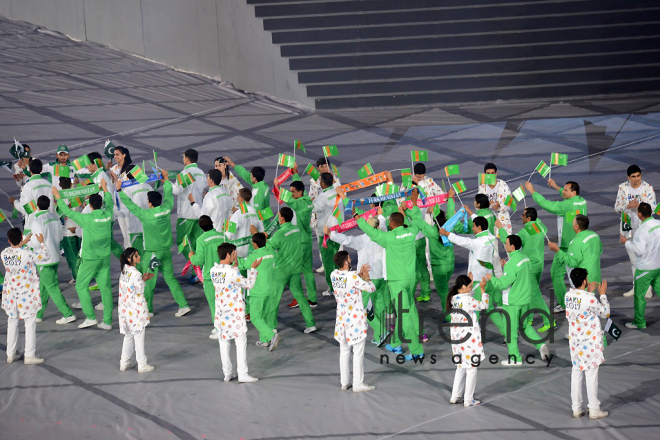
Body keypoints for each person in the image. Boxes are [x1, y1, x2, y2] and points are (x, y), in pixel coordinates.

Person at [357, 189, 424, 361]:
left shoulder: (389, 238)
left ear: (392, 224)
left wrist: (358, 219)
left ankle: (416, 350)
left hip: (397, 281)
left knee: (403, 314)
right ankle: (395, 343)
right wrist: (412, 205)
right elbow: (417, 220)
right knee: (405, 310)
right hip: (410, 279)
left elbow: (372, 232)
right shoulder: (412, 232)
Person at [117, 170, 191, 318]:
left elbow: (131, 206)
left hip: (153, 254)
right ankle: (183, 305)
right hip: (166, 251)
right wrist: (166, 180)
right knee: (170, 279)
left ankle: (148, 310)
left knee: (149, 282)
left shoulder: (146, 215)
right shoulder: (166, 209)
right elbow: (169, 195)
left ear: (149, 203)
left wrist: (119, 190)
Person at [54, 180, 114, 330]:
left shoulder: (87, 218)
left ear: (91, 206)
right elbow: (110, 202)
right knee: (105, 288)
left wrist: (58, 197)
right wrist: (106, 189)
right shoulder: (108, 214)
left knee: (81, 286)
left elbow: (68, 212)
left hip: (89, 258)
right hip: (105, 257)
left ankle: (91, 317)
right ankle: (107, 321)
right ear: (101, 204)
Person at [482, 235, 550, 366]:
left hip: (512, 302)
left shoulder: (512, 264)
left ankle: (514, 358)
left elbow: (502, 284)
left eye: (506, 244)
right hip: (525, 299)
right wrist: (506, 265)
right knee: (525, 326)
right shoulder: (524, 258)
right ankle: (540, 345)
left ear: (512, 247)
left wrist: (492, 278)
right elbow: (518, 274)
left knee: (510, 331)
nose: (505, 246)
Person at [438, 216, 507, 338]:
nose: (472, 227)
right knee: (491, 309)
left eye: (474, 225)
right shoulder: (491, 238)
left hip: (477, 283)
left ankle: (473, 338)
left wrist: (446, 233)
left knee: (475, 312)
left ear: (479, 227)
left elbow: (461, 241)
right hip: (489, 279)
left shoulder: (477, 243)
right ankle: (508, 335)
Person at [326, 216, 391, 346]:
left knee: (363, 308)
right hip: (382, 276)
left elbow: (346, 239)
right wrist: (381, 216)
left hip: (367, 277)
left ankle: (381, 331)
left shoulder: (363, 239)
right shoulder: (384, 234)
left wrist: (330, 234)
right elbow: (382, 224)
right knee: (379, 306)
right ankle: (380, 335)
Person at [525, 179, 587, 312]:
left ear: (573, 192)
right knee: (557, 272)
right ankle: (567, 303)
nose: (563, 191)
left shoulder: (567, 206)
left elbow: (548, 205)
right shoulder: (582, 201)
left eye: (565, 190)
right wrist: (555, 186)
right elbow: (567, 196)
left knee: (573, 276)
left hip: (567, 246)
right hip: (577, 242)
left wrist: (532, 191)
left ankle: (577, 305)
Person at [496, 208, 554, 332]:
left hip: (530, 267)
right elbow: (538, 222)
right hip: (539, 265)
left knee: (535, 295)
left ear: (528, 218)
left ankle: (548, 320)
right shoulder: (540, 226)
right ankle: (528, 318)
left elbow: (509, 241)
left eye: (523, 215)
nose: (521, 217)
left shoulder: (524, 232)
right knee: (531, 293)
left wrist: (500, 228)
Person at [406, 188, 465, 310]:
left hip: (439, 268)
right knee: (447, 290)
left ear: (433, 220)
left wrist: (410, 207)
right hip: (450, 265)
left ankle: (449, 315)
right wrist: (450, 198)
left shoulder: (432, 231)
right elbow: (450, 213)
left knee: (443, 292)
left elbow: (418, 221)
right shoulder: (449, 227)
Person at [210, 243, 261, 383]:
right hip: (234, 313)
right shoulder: (232, 273)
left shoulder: (213, 270)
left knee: (224, 342)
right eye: (233, 254)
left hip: (221, 313)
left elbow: (230, 276)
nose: (235, 256)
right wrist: (253, 269)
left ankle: (227, 373)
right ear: (228, 255)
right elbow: (248, 284)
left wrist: (235, 264)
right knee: (240, 341)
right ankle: (243, 373)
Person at [565, 268, 610, 420]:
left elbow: (581, 302)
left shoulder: (568, 296)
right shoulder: (590, 299)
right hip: (590, 343)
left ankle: (576, 408)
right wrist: (602, 295)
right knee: (591, 374)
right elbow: (605, 313)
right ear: (585, 281)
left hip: (575, 342)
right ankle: (594, 409)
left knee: (576, 373)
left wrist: (589, 291)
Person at [331, 250, 376, 393]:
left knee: (344, 351)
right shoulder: (353, 278)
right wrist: (366, 277)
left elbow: (349, 276)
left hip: (341, 320)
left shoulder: (334, 275)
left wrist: (358, 274)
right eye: (349, 259)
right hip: (355, 321)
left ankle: (344, 382)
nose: (351, 260)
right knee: (358, 352)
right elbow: (371, 288)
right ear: (346, 262)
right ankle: (358, 384)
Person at [266, 207, 317, 333]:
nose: (277, 218)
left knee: (274, 299)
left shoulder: (279, 233)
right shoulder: (296, 229)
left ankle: (272, 328)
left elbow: (270, 245)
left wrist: (264, 237)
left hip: (281, 270)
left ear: (282, 218)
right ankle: (311, 324)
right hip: (295, 269)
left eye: (278, 216)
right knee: (300, 297)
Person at [2, 228, 48, 365]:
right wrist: (42, 243)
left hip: (11, 294)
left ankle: (10, 354)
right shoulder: (28, 253)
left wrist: (21, 243)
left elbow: (15, 251)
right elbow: (45, 256)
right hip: (26, 295)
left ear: (9, 240)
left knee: (12, 322)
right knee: (29, 323)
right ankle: (29, 355)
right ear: (21, 237)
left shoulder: (4, 253)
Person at [30, 196, 75, 324]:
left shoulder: (37, 221)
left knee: (52, 287)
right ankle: (39, 314)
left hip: (44, 259)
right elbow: (60, 237)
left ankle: (68, 313)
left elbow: (37, 243)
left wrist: (27, 242)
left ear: (37, 205)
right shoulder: (55, 218)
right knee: (44, 286)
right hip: (55, 256)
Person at [614, 165, 656, 298]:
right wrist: (627, 206)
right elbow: (616, 208)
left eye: (638, 176)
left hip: (645, 229)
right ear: (628, 177)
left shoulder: (648, 188)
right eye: (633, 176)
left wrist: (640, 206)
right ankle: (636, 287)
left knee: (646, 259)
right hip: (629, 229)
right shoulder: (623, 188)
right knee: (634, 261)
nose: (636, 179)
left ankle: (648, 289)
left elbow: (654, 208)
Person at [447, 274, 488, 407]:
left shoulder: (454, 299)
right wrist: (482, 289)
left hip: (457, 340)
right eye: (469, 286)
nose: (471, 289)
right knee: (471, 368)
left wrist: (470, 281)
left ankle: (455, 396)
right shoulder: (468, 301)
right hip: (469, 340)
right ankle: (468, 400)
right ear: (463, 287)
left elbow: (468, 296)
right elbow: (483, 305)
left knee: (460, 367)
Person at [621, 202, 660, 329]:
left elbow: (638, 250)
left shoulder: (641, 230)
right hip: (658, 266)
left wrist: (626, 242)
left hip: (645, 269)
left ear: (639, 214)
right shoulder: (658, 224)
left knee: (639, 297)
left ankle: (640, 322)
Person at [238, 233, 280, 351]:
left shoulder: (253, 257)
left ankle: (272, 336)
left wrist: (234, 258)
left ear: (254, 244)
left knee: (256, 317)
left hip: (258, 291)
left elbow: (242, 265)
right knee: (265, 316)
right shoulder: (272, 253)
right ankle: (264, 340)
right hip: (271, 289)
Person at [118, 247, 155, 373]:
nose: (139, 257)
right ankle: (142, 364)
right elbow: (139, 290)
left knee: (128, 336)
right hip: (136, 310)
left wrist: (142, 280)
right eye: (136, 256)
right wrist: (143, 280)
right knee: (139, 337)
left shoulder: (124, 271)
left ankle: (124, 362)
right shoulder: (136, 274)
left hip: (125, 309)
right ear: (130, 259)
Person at [189, 215, 227, 339]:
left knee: (214, 304)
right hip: (225, 275)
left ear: (201, 227)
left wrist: (191, 256)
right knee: (224, 303)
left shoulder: (201, 240)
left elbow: (198, 261)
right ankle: (225, 326)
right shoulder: (223, 236)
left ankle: (218, 329)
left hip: (210, 277)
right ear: (212, 222)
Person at [172, 149, 206, 283]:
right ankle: (197, 272)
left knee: (182, 242)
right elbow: (203, 188)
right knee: (197, 243)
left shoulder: (184, 173)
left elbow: (176, 190)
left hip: (185, 214)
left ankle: (196, 266)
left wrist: (166, 182)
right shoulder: (202, 173)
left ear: (186, 159)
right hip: (198, 214)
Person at [285, 169, 317, 308]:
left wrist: (275, 185)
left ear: (299, 192)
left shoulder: (298, 203)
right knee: (308, 271)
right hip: (307, 239)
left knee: (295, 271)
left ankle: (298, 298)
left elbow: (286, 199)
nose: (291, 194)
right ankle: (312, 299)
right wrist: (295, 173)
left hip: (298, 243)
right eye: (290, 191)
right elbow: (299, 186)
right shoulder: (308, 201)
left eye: (293, 191)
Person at [548, 215, 602, 291]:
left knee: (584, 301)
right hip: (596, 276)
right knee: (591, 300)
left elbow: (572, 262)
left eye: (572, 223)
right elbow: (600, 250)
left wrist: (557, 250)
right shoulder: (595, 235)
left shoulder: (575, 242)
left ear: (576, 227)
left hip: (585, 279)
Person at [313, 172, 343, 297]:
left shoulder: (322, 197)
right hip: (337, 230)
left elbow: (312, 209)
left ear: (323, 183)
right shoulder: (338, 191)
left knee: (328, 262)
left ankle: (332, 289)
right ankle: (340, 285)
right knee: (337, 260)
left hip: (326, 233)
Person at [309, 157, 341, 274]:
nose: (324, 168)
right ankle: (325, 263)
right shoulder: (313, 181)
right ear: (318, 168)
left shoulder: (335, 180)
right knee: (321, 240)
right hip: (320, 216)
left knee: (337, 241)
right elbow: (311, 195)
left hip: (333, 216)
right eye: (321, 166)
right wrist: (312, 199)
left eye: (326, 166)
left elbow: (341, 193)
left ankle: (341, 263)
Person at [10, 158, 54, 235]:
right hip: (49, 225)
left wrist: (14, 202)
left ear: (29, 169)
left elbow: (25, 209)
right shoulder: (49, 185)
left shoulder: (28, 186)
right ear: (41, 169)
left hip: (33, 227)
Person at [190, 169, 233, 233]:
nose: (206, 179)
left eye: (208, 177)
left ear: (211, 180)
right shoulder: (226, 192)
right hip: (226, 230)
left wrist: (193, 203)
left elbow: (203, 216)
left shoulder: (210, 196)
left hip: (214, 231)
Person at [224, 188, 263, 258]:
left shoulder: (237, 214)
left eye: (238, 196)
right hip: (254, 252)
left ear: (241, 199)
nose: (237, 197)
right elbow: (261, 230)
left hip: (239, 253)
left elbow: (229, 234)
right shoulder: (256, 212)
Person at [478, 163, 513, 234]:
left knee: (507, 242)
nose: (490, 175)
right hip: (488, 220)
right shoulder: (482, 187)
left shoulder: (503, 185)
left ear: (496, 174)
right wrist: (486, 204)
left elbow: (510, 202)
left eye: (492, 173)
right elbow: (478, 204)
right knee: (491, 243)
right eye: (488, 173)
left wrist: (499, 205)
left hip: (503, 220)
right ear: (485, 174)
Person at [58, 178, 82, 284]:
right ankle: (79, 276)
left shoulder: (59, 198)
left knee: (72, 258)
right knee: (79, 255)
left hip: (67, 232)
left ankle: (78, 278)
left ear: (59, 184)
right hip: (78, 229)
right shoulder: (75, 195)